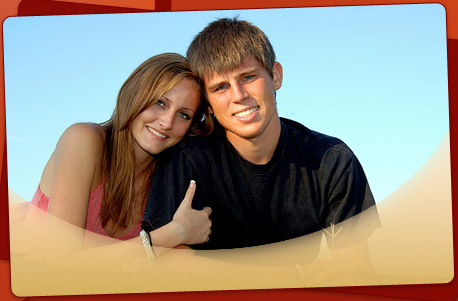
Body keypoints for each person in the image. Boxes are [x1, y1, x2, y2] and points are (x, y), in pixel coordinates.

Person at [142, 17, 380, 259]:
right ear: (208, 104)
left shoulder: (333, 161)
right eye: (220, 87)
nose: (238, 95)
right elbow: (168, 262)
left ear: (275, 76)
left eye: (247, 77)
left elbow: (355, 270)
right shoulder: (188, 157)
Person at [30, 52, 213, 249]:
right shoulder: (83, 140)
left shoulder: (168, 180)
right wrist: (174, 233)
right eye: (160, 103)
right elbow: (57, 261)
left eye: (183, 115)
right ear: (134, 95)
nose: (167, 122)